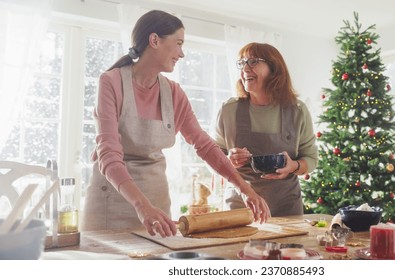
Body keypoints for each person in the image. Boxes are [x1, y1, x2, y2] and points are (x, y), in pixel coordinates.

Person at [81, 10, 270, 237]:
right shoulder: (111, 82)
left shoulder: (173, 93)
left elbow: (205, 146)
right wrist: (142, 207)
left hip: (156, 206)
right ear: (154, 40)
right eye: (178, 43)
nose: (182, 53)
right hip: (110, 204)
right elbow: (109, 156)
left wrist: (246, 190)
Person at [214, 42, 318, 217]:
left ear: (274, 69)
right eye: (242, 63)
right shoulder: (228, 110)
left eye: (253, 62)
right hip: (240, 208)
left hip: (286, 207)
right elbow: (213, 156)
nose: (245, 69)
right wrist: (229, 159)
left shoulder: (298, 111)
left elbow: (311, 159)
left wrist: (293, 166)